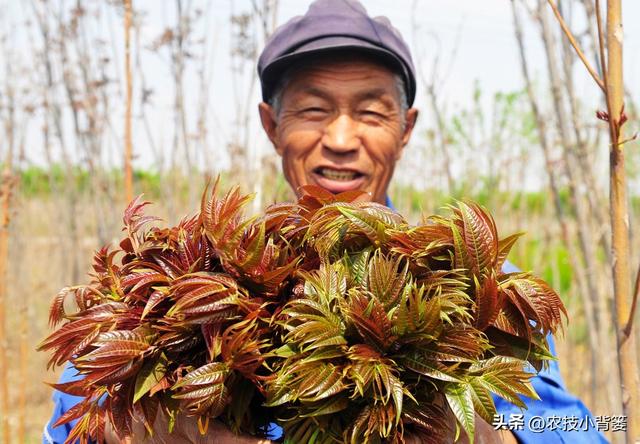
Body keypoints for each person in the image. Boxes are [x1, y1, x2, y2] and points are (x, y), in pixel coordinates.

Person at [44, 1, 607, 443]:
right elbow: (74, 418)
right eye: (313, 110)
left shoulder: (475, 280)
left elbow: (582, 431)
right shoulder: (202, 273)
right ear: (271, 125)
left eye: (370, 111)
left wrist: (487, 435)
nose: (340, 140)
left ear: (405, 129)